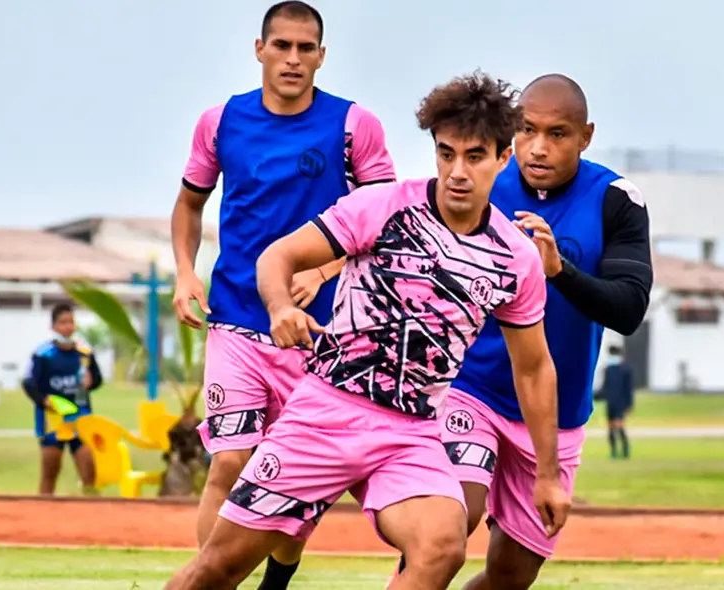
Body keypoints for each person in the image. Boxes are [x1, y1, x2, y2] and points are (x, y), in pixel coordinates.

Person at [164, 71, 571, 590]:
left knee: (442, 546)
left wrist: (547, 474)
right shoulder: (384, 206)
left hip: (411, 432)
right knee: (216, 569)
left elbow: (534, 368)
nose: (458, 172)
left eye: (474, 157)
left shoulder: (515, 257)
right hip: (326, 412)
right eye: (447, 154)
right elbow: (279, 256)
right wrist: (280, 306)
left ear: (502, 157)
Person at [392, 74, 652, 590]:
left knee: (509, 576)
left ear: (586, 136)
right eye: (528, 130)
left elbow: (628, 309)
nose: (538, 147)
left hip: (557, 413)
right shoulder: (482, 180)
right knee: (447, 526)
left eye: (557, 134)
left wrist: (560, 271)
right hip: (471, 391)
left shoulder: (615, 199)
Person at [169, 2, 396, 587]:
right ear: (259, 49)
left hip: (323, 331)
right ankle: (212, 580)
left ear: (322, 55)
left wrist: (324, 272)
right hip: (238, 318)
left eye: (305, 48)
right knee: (230, 462)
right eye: (282, 46)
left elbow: (386, 221)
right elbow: (190, 202)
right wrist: (184, 272)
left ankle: (276, 580)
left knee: (294, 479)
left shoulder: (353, 125)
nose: (293, 59)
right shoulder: (220, 121)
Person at [21, 303, 103, 496]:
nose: (68, 327)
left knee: (89, 471)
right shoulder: (43, 354)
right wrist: (44, 401)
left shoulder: (84, 352)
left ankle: (91, 512)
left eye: (71, 322)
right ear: (54, 326)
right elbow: (28, 383)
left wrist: (92, 381)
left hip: (81, 418)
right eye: (63, 322)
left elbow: (97, 379)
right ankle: (44, 513)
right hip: (53, 421)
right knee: (50, 473)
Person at [599, 345, 634, 459]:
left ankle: (625, 450)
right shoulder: (608, 370)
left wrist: (629, 405)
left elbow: (629, 389)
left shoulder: (625, 370)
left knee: (619, 427)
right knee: (610, 428)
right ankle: (613, 451)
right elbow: (605, 388)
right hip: (610, 403)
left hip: (621, 403)